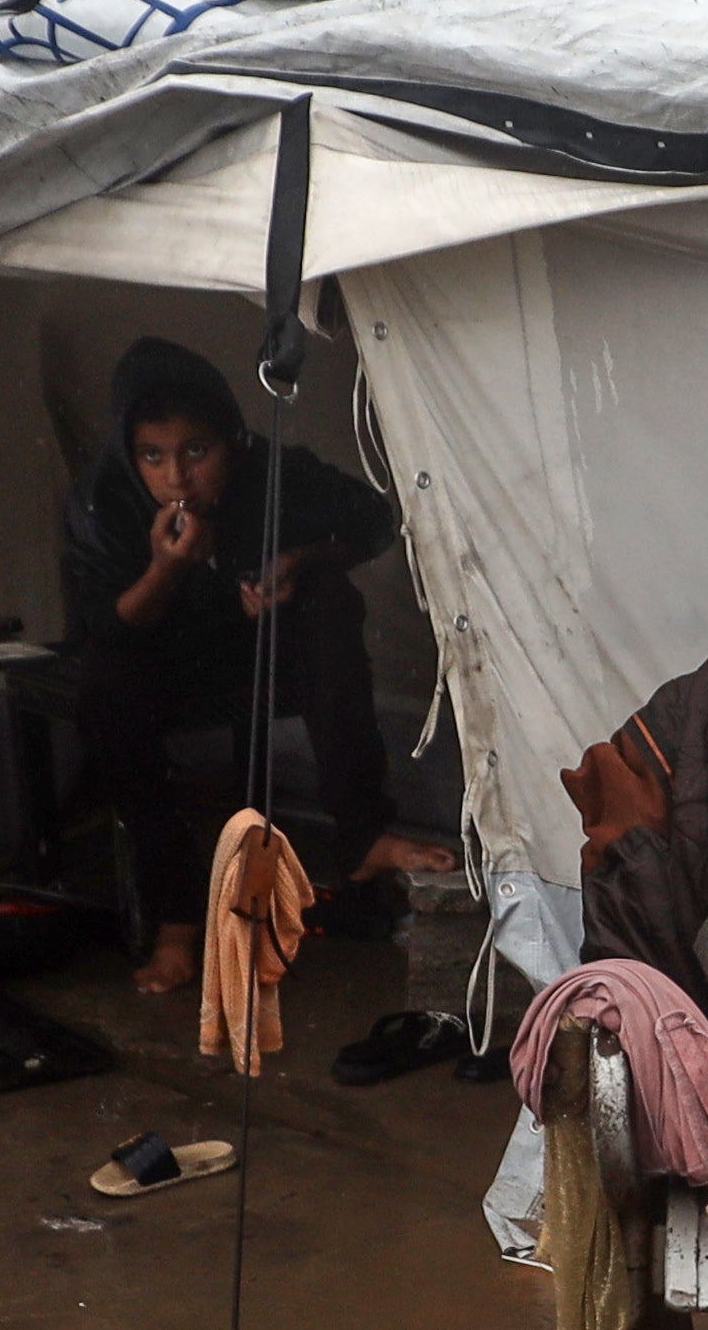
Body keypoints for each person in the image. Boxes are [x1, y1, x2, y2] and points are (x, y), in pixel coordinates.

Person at [56, 334, 434, 993]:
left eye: (197, 452)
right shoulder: (104, 500)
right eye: (153, 456)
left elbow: (374, 519)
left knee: (327, 598)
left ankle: (363, 835)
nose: (176, 478)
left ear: (231, 441)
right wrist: (167, 569)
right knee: (105, 687)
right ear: (130, 455)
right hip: (161, 674)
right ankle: (176, 918)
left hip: (260, 660)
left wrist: (299, 560)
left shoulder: (272, 470)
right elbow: (111, 628)